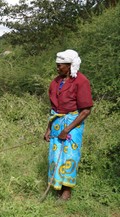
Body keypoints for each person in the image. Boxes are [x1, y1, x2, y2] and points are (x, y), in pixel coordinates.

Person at [43, 49, 93, 200]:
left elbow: (85, 110)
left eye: (60, 65)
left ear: (70, 65)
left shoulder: (81, 81)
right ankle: (57, 186)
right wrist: (48, 128)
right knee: (55, 156)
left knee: (69, 156)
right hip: (57, 122)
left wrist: (67, 129)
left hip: (73, 124)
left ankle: (66, 191)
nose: (57, 68)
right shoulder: (56, 82)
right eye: (57, 65)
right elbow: (54, 108)